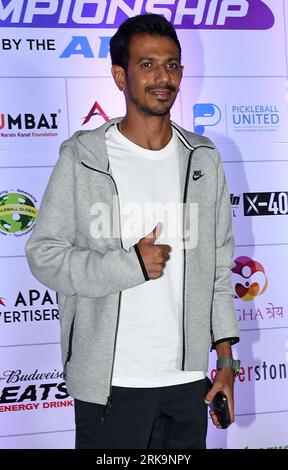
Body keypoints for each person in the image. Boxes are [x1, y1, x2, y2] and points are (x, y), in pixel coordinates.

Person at [25, 13, 240, 449]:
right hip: (111, 384)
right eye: (148, 65)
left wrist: (225, 362)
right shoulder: (82, 157)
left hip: (186, 383)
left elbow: (219, 268)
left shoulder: (203, 158)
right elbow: (43, 254)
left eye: (173, 64)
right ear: (120, 76)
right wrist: (130, 265)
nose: (164, 77)